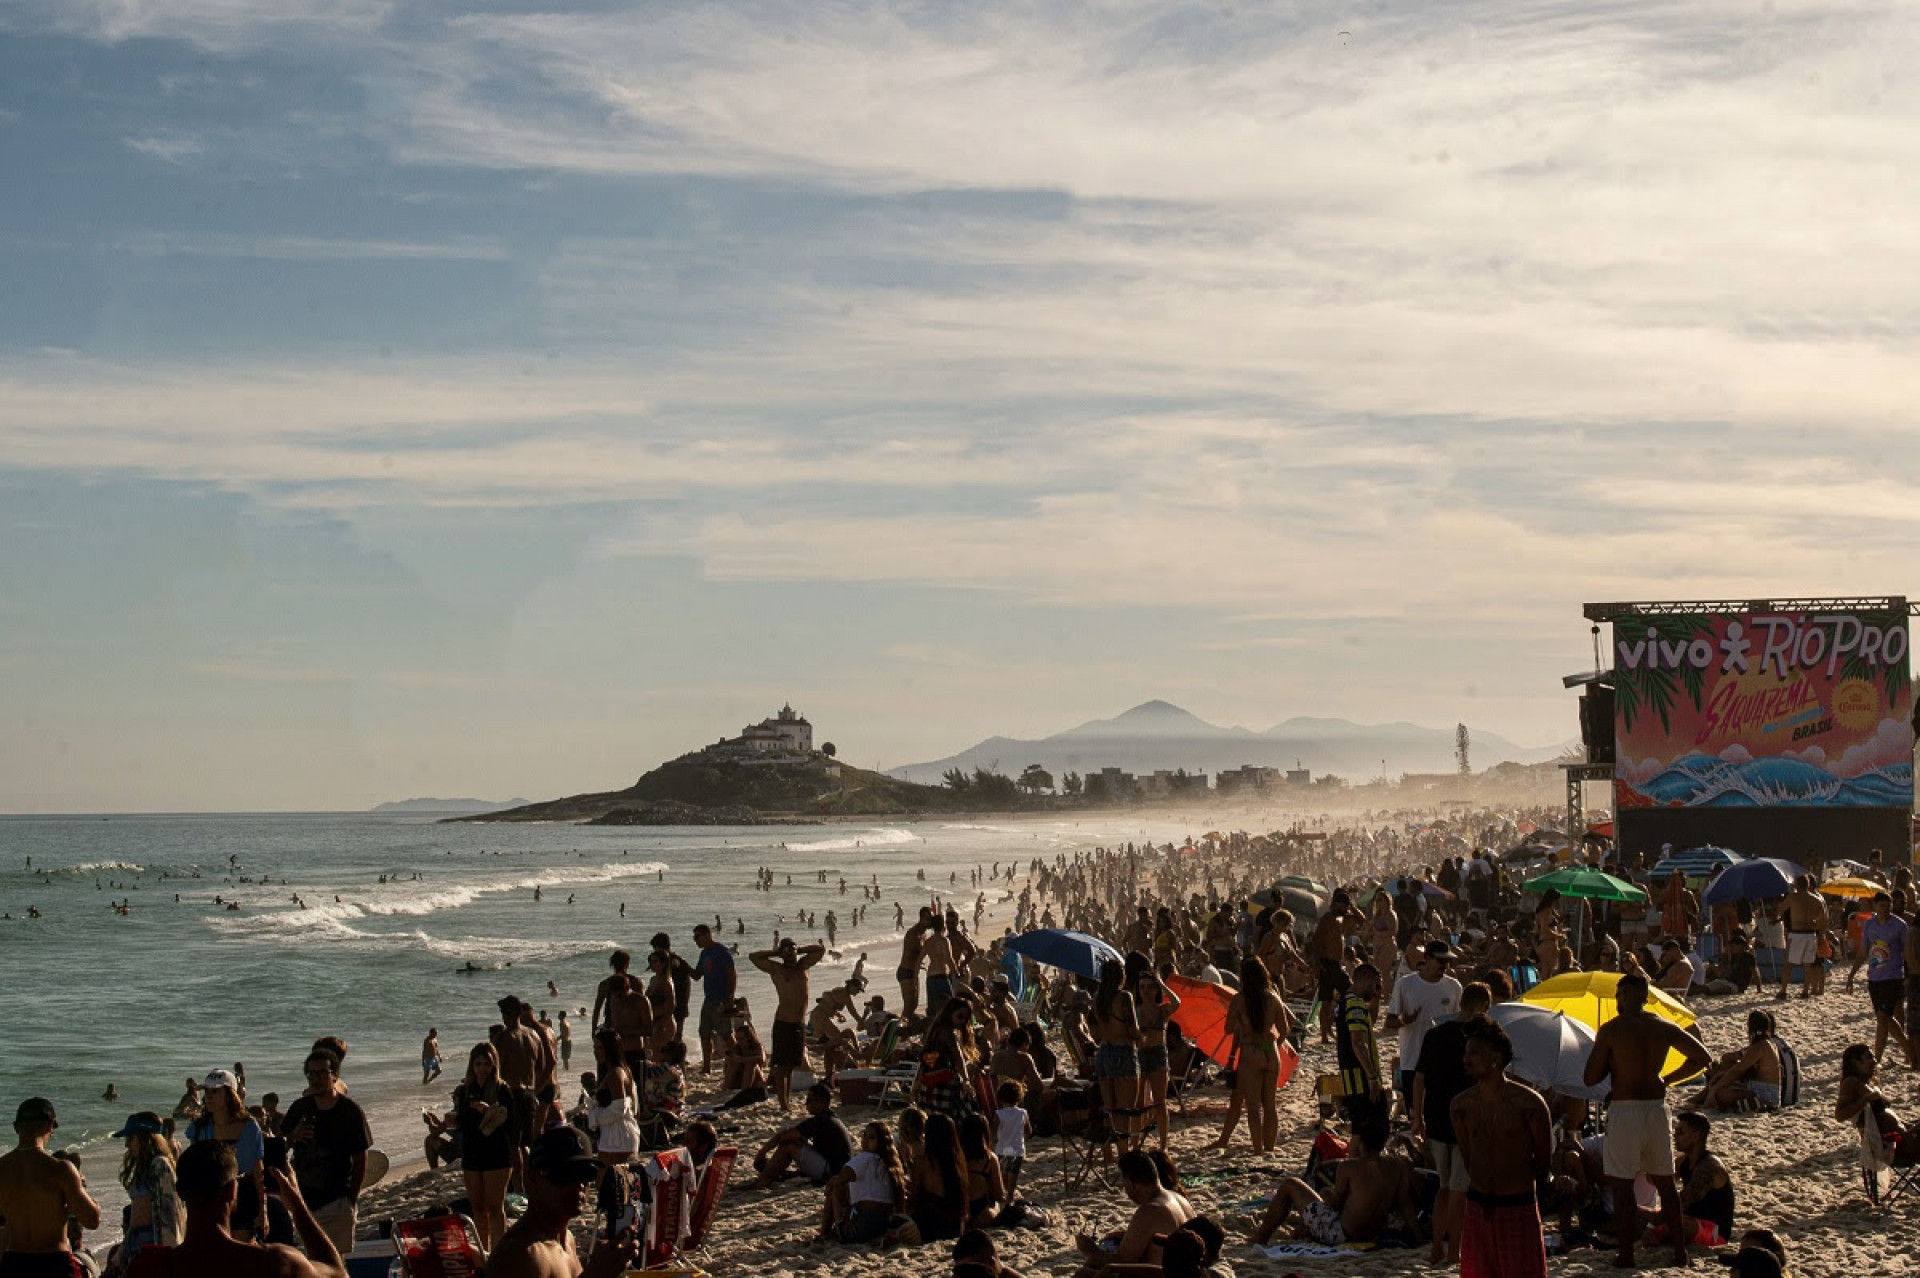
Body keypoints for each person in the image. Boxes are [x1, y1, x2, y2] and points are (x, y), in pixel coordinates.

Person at [1581, 972, 1712, 1268]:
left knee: (1622, 1185)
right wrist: (1666, 1078)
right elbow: (1702, 1057)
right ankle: (1680, 1252)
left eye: (1619, 995)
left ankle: (1626, 1254)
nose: (1617, 1000)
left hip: (1626, 1109)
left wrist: (1612, 1061)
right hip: (1655, 1107)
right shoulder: (1662, 1026)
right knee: (1665, 1183)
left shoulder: (1612, 1030)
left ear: (1627, 996)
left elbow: (1590, 1077)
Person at [123, 1141, 344, 1278]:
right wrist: (297, 1207)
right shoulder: (275, 1263)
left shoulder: (149, 1268)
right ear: (232, 1190)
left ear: (180, 1191)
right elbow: (337, 1273)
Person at [1452, 1021, 1551, 1278]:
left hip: (1517, 1206)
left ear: (1494, 1059)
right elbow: (1469, 1157)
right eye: (1465, 1053)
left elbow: (1542, 1161)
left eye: (1474, 1053)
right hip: (1478, 1204)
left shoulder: (1529, 1104)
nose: (1466, 1059)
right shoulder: (1461, 1106)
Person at [482, 1127, 638, 1278]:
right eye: (565, 1174)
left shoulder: (566, 1239)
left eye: (586, 1174)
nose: (579, 1185)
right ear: (532, 1179)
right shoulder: (522, 1254)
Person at [1248, 1116, 1418, 1247]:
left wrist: (1327, 1194)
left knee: (1290, 1184)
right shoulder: (1397, 1165)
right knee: (1321, 1200)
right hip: (1375, 1233)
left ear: (1360, 1142)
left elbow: (1335, 1203)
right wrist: (1419, 1236)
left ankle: (1260, 1237)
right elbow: (1405, 1204)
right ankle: (1303, 1230)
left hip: (1343, 1234)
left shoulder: (1350, 1167)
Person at [1412, 980, 1491, 1264]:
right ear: (1483, 1007)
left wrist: (1416, 1117)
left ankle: (1436, 1246)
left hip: (1436, 1118)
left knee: (1444, 1187)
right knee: (1459, 1189)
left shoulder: (1435, 1035)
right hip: (1466, 1121)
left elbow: (1419, 1078)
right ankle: (1454, 1250)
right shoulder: (1481, 1041)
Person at [280, 1048, 372, 1255]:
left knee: (337, 1263)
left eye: (322, 1073)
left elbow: (360, 1157)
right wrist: (293, 1136)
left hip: (337, 1199)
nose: (316, 1079)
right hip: (303, 1199)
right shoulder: (299, 1108)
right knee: (310, 1264)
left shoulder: (350, 1111)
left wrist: (351, 1199)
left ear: (334, 1075)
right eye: (311, 1074)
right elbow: (279, 1150)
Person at [0, 1098, 102, 1276]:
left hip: (13, 1263)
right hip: (53, 1263)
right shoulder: (60, 1170)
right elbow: (92, 1221)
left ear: (16, 1127)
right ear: (50, 1126)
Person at [1072, 1150, 1195, 1277]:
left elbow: (1122, 1262)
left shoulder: (1150, 1210)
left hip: (1161, 1274)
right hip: (1186, 1273)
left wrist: (1090, 1250)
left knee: (1084, 1273)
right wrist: (1128, 1236)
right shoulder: (1180, 1199)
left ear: (1131, 1184)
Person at [1216, 957, 1290, 1154]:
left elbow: (1228, 1028)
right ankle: (1270, 1148)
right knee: (1270, 1106)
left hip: (1251, 1052)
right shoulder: (1273, 997)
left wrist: (1237, 1018)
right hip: (1271, 1051)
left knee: (1253, 1107)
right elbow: (1284, 1030)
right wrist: (1274, 1044)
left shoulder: (1240, 999)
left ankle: (1258, 1150)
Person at [186, 1069, 268, 1243]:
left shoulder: (249, 1126)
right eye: (207, 1091)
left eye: (215, 1091)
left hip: (242, 1194)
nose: (209, 1096)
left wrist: (263, 1211)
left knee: (242, 1253)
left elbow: (257, 1172)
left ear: (230, 1094)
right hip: (210, 1196)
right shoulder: (199, 1127)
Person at [748, 937, 826, 1110]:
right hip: (784, 1022)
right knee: (781, 1067)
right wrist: (775, 952)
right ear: (781, 953)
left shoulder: (804, 966)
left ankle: (787, 1100)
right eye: (787, 950)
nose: (791, 953)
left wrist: (800, 949)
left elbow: (820, 950)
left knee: (791, 1066)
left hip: (799, 1023)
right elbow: (753, 957)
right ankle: (783, 1103)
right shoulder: (777, 970)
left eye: (793, 949)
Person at [1639, 1111, 1733, 1252]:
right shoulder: (1684, 1161)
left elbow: (1681, 1203)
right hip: (1687, 1218)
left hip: (1714, 1231)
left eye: (1680, 1132)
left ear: (1695, 1136)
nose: (1675, 1136)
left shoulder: (1710, 1168)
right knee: (1630, 1209)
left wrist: (1652, 1225)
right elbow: (1653, 1178)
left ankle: (1655, 1233)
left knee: (1677, 1224)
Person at [1386, 939, 1462, 1109]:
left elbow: (1458, 1020)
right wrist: (1404, 1021)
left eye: (1448, 962)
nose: (1445, 966)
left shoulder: (1454, 987)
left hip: (1442, 1061)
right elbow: (1389, 1021)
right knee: (1414, 1115)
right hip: (1412, 1061)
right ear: (1427, 958)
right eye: (1440, 961)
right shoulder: (1406, 984)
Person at [747, 1082, 853, 1190]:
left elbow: (783, 1136)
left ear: (822, 1102)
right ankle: (771, 1174)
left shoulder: (820, 1120)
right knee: (797, 1141)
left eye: (809, 1101)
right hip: (838, 1168)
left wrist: (762, 1153)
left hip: (832, 1172)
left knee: (788, 1146)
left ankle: (762, 1181)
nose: (806, 1105)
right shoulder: (830, 1118)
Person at [818, 1121, 906, 1244]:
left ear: (880, 1142)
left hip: (865, 1224)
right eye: (864, 1135)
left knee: (836, 1188)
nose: (865, 1140)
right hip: (885, 1225)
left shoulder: (865, 1158)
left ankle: (824, 1232)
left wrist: (830, 1190)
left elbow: (839, 1179)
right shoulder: (891, 1165)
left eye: (871, 1137)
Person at [114, 1112, 181, 1265]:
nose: (127, 1145)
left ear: (145, 1138)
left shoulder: (159, 1165)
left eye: (130, 1138)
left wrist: (167, 1257)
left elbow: (168, 1214)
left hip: (150, 1251)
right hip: (141, 1248)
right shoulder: (150, 1166)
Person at [1688, 1010, 1785, 1112]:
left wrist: (1715, 1088)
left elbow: (1737, 1071)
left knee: (1721, 1093)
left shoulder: (1761, 1046)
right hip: (1760, 1089)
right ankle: (1705, 1097)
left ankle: (1706, 1098)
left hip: (1766, 1096)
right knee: (1723, 1075)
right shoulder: (1765, 1044)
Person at [1860, 892, 1914, 1068]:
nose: (1885, 909)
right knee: (1884, 1018)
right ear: (1876, 906)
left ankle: (1878, 1058)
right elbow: (1863, 950)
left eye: (1888, 905)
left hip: (1894, 976)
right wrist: (1852, 974)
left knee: (1884, 1017)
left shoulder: (1899, 925)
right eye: (1882, 905)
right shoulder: (1869, 925)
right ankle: (1907, 1050)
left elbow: (1907, 952)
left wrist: (1908, 975)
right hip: (1875, 976)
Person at [1334, 963, 1388, 1127]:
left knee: (1358, 1130)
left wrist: (1376, 998)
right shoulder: (1355, 1003)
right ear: (1366, 980)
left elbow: (1368, 1023)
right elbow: (1358, 1042)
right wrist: (1372, 1078)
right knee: (1368, 1130)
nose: (1375, 990)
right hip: (1360, 1076)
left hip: (1351, 1075)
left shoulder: (1347, 1002)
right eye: (1375, 985)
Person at [1772, 876, 1828, 1001]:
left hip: (1797, 933)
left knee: (1789, 964)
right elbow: (1823, 918)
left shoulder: (1793, 897)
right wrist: (1816, 926)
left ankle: (1783, 990)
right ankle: (1805, 990)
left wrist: (1775, 915)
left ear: (1797, 885)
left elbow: (1780, 910)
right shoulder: (1816, 899)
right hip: (1810, 933)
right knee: (1807, 964)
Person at [692, 923, 737, 1075]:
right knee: (704, 1032)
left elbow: (731, 974)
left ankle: (738, 1062)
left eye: (697, 937)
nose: (695, 940)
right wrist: (681, 964)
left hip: (721, 999)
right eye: (694, 937)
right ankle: (706, 1066)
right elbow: (697, 975)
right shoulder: (704, 954)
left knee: (726, 1034)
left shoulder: (722, 952)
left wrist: (730, 997)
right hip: (708, 998)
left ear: (707, 935)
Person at [991, 1080, 1031, 1200]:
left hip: (1002, 1148)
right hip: (1017, 1149)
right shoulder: (1023, 1113)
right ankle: (1010, 1196)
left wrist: (992, 1141)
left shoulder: (999, 1114)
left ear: (1001, 1098)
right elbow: (1028, 1131)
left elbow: (992, 1131)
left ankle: (1004, 1192)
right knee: (1013, 1174)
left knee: (1002, 1173)